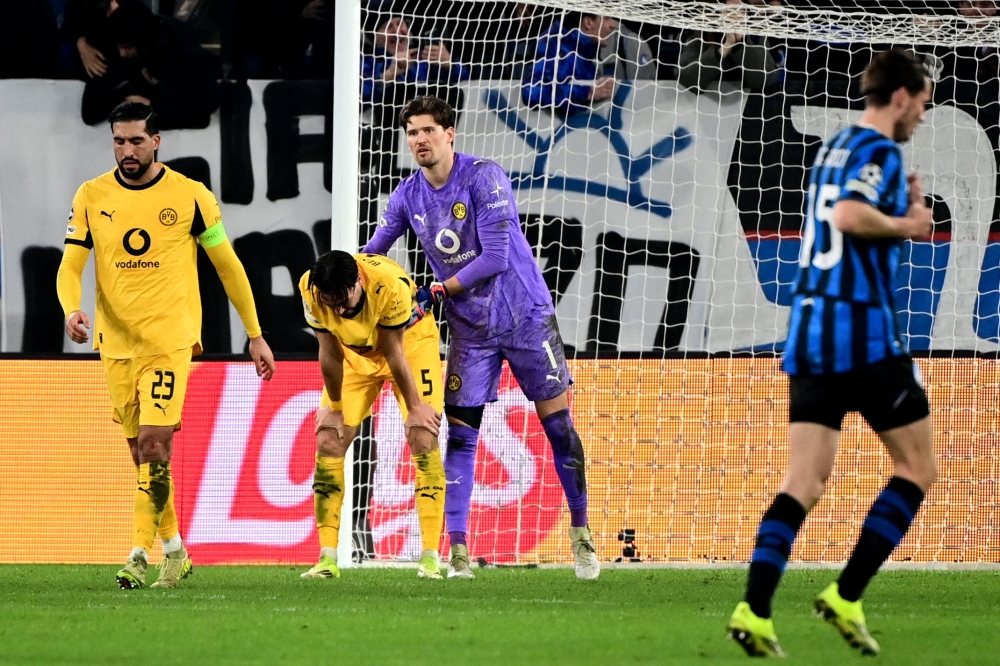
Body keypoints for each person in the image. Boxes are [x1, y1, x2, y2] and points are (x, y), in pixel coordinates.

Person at [726, 49, 934, 657]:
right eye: (921, 104)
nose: (922, 115)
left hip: (809, 329)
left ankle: (755, 609)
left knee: (805, 480)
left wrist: (902, 212)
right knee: (918, 468)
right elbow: (847, 215)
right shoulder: (879, 152)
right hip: (861, 334)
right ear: (900, 96)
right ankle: (846, 593)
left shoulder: (835, 147)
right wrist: (910, 225)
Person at [363, 95, 600, 581]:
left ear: (450, 134)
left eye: (428, 130)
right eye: (411, 132)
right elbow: (373, 255)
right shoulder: (407, 196)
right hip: (471, 333)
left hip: (525, 318)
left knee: (558, 429)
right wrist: (347, 277)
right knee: (462, 439)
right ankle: (459, 553)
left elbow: (494, 257)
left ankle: (582, 536)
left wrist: (435, 291)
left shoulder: (484, 177)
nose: (419, 140)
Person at [57, 101, 276, 589]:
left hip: (170, 340)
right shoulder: (92, 196)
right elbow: (71, 264)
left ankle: (138, 556)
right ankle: (176, 548)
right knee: (141, 454)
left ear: (157, 141)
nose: (127, 150)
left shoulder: (191, 196)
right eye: (119, 140)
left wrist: (255, 333)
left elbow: (228, 266)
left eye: (136, 140)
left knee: (156, 443)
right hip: (115, 344)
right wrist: (70, 309)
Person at [298, 251, 446, 580]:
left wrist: (415, 407)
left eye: (344, 299)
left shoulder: (389, 287)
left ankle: (431, 557)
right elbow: (329, 352)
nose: (338, 309)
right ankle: (327, 558)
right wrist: (335, 408)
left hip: (410, 345)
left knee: (423, 435)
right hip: (354, 355)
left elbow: (394, 352)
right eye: (330, 301)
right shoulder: (310, 288)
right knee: (328, 440)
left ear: (358, 281)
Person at [522, 12, 620, 115]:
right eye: (607, 18)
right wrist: (589, 92)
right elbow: (532, 92)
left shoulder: (584, 50)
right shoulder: (559, 48)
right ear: (588, 23)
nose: (613, 24)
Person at [678, 0, 780, 93]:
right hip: (705, 105)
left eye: (739, 10)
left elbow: (766, 79)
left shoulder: (757, 32)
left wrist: (740, 43)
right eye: (729, 10)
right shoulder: (703, 33)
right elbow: (686, 79)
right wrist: (726, 46)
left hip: (750, 105)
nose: (733, 14)